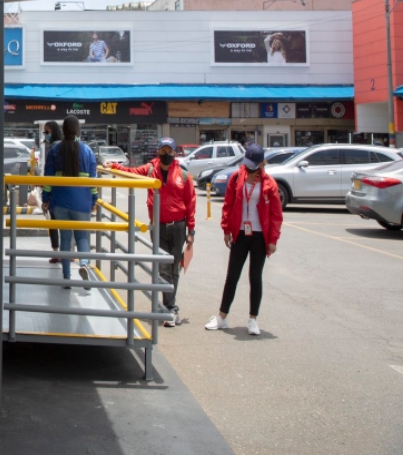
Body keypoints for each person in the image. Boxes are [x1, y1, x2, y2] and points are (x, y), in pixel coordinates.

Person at [110, 138, 195, 327]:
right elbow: (130, 172)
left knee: (173, 268)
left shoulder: (183, 174)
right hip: (158, 227)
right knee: (163, 267)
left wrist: (191, 231)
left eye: (170, 151)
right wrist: (114, 165)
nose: (167, 154)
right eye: (163, 150)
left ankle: (168, 307)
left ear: (174, 153)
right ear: (158, 152)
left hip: (179, 227)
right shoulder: (150, 169)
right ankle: (169, 308)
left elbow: (190, 202)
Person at [205, 144, 282, 336]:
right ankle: (222, 317)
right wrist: (226, 229)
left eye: (253, 164)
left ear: (261, 163)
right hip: (239, 233)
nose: (249, 168)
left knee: (255, 277)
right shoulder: (236, 177)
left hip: (259, 236)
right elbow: (228, 204)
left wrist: (273, 240)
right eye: (247, 163)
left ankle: (253, 319)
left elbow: (276, 215)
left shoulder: (269, 183)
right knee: (232, 276)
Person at [41, 116, 98, 288]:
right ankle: (84, 265)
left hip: (60, 201)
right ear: (78, 130)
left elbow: (48, 177)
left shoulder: (55, 150)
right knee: (82, 237)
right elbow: (93, 179)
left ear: (63, 130)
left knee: (65, 239)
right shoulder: (87, 151)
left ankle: (66, 278)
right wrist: (94, 199)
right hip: (82, 201)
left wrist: (45, 199)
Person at [39, 121, 63, 263]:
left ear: (53, 131)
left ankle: (56, 252)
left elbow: (49, 173)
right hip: (66, 190)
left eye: (47, 132)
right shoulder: (65, 146)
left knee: (53, 222)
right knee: (66, 223)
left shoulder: (54, 148)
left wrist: (45, 198)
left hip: (54, 190)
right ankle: (67, 253)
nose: (46, 135)